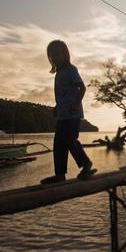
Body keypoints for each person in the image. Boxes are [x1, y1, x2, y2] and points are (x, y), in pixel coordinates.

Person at [40, 40, 96, 184]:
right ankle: (60, 175)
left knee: (70, 140)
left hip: (72, 114)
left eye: (57, 54)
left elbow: (81, 88)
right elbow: (63, 95)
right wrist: (57, 107)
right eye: (52, 56)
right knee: (58, 144)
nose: (55, 57)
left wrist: (76, 104)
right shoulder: (58, 73)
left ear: (65, 54)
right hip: (62, 115)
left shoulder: (71, 70)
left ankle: (86, 164)